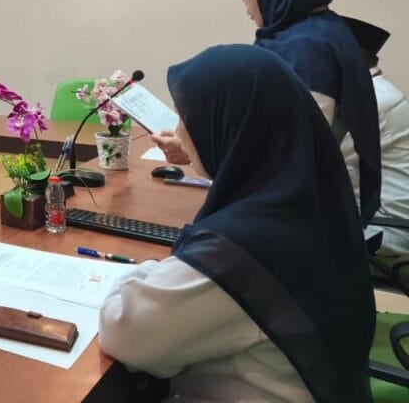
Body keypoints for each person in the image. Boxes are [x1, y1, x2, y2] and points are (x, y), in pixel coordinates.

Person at [99, 45, 375, 402]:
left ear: (231, 126)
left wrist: (144, 269)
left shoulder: (242, 247)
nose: (180, 132)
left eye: (186, 118)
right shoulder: (307, 197)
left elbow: (124, 332)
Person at [152, 0, 381, 224]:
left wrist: (194, 152)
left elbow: (285, 153)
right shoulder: (323, 33)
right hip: (310, 203)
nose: (245, 2)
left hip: (296, 216)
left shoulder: (305, 50)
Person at [343, 16, 409, 257]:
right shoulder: (373, 90)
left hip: (386, 228)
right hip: (375, 220)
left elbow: (309, 156)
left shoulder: (372, 100)